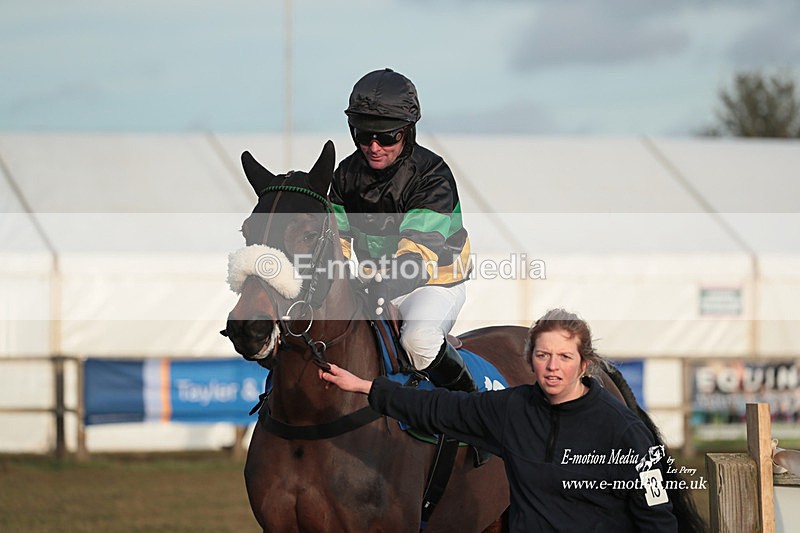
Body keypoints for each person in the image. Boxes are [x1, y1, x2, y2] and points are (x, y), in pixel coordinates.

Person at [319, 308, 679, 532]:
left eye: (565, 357)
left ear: (584, 365)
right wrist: (367, 387)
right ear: (530, 359)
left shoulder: (625, 432)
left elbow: (657, 515)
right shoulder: (512, 409)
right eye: (543, 355)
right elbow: (438, 408)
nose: (553, 366)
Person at [331, 68, 476, 396]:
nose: (373, 146)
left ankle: (473, 413)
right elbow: (336, 241)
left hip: (432, 283)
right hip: (373, 284)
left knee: (418, 340)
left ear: (407, 132)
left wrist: (375, 285)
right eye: (363, 135)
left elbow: (417, 256)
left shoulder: (432, 176)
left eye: (386, 137)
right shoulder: (344, 175)